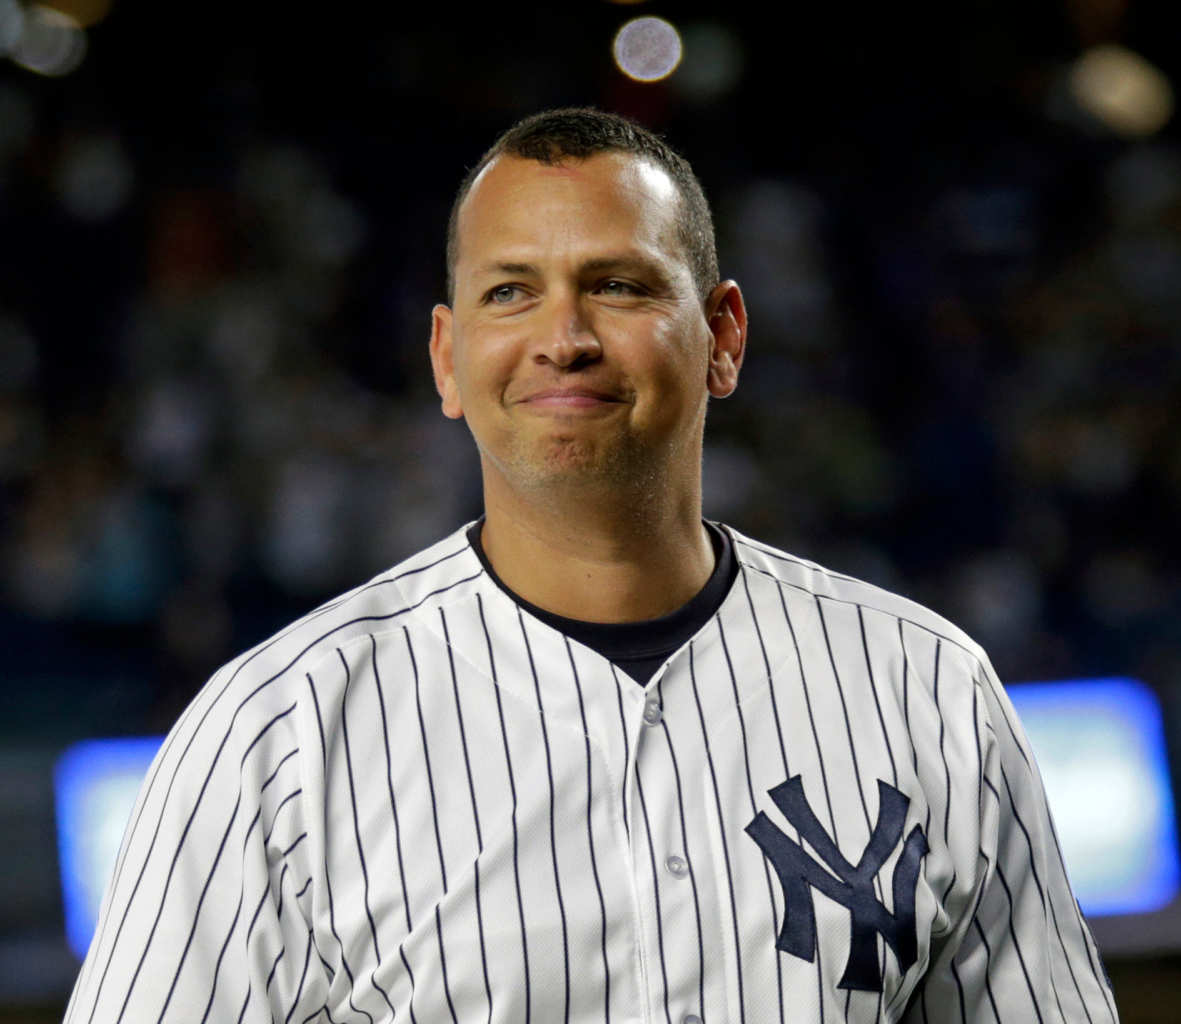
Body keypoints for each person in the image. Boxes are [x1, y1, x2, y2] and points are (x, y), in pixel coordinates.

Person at [64, 107, 1118, 1024]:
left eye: (615, 285)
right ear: (445, 356)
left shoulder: (925, 688)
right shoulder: (277, 732)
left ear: (722, 336)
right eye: (509, 293)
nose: (561, 336)